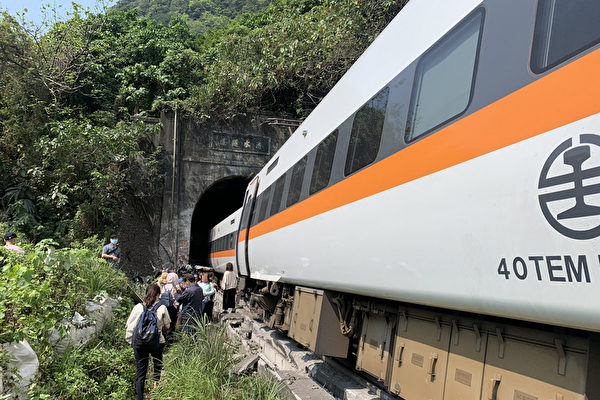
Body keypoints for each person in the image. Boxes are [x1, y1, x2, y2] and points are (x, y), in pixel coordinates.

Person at [125, 284, 171, 400]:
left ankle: (139, 397)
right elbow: (168, 326)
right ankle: (155, 392)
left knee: (141, 372)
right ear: (158, 295)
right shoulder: (162, 307)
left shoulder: (138, 307)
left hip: (140, 343)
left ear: (146, 293)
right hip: (157, 342)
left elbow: (129, 325)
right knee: (157, 366)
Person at [161, 272, 178, 343]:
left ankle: (164, 337)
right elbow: (176, 298)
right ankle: (170, 339)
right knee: (172, 323)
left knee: (165, 322)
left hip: (165, 307)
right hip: (172, 307)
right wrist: (176, 306)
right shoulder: (175, 287)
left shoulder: (164, 287)